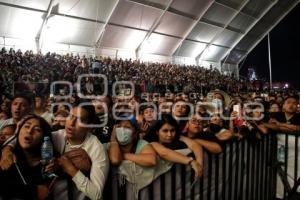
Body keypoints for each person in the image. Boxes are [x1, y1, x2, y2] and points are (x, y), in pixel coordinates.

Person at [51, 104, 109, 200]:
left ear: (89, 127)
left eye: (80, 120)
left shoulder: (96, 147)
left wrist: (71, 169)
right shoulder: (55, 137)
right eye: (70, 116)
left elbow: (97, 195)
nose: (72, 123)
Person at [0, 115, 55, 199]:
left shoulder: (51, 164)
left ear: (44, 138)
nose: (29, 131)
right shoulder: (6, 157)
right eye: (26, 126)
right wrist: (33, 191)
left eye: (37, 130)